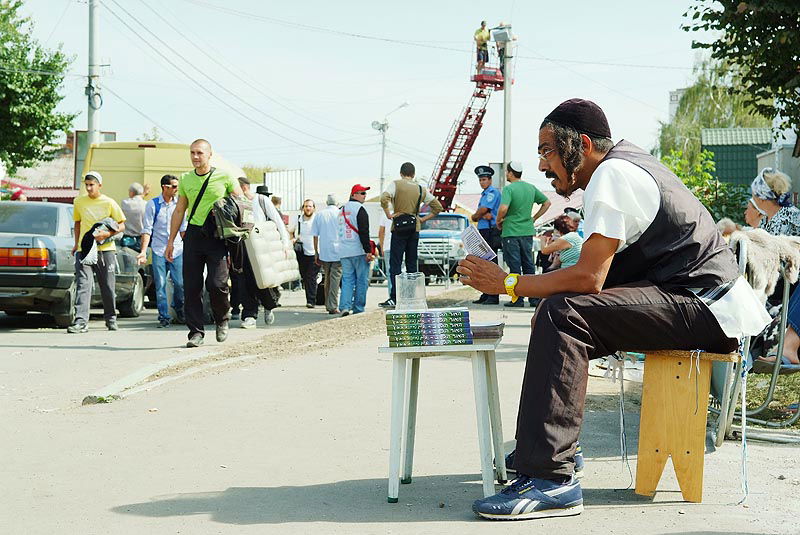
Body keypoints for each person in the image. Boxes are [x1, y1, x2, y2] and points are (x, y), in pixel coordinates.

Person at [458, 98, 769, 521]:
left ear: (582, 144)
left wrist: (509, 283)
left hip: (706, 307)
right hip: (696, 301)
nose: (543, 166)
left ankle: (552, 480)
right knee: (556, 311)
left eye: (547, 151)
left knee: (563, 314)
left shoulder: (611, 174)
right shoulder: (625, 165)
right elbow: (600, 273)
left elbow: (589, 279)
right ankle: (556, 449)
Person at [165, 139, 242, 348]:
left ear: (209, 155)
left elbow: (242, 203)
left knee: (216, 284)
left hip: (218, 236)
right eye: (192, 153)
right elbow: (179, 210)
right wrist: (171, 241)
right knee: (191, 286)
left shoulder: (224, 176)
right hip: (194, 235)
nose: (195, 157)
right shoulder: (186, 179)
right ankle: (195, 332)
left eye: (199, 153)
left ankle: (222, 319)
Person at [68, 171, 126, 333]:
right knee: (83, 284)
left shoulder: (109, 202)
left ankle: (111, 318)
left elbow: (122, 225)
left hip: (105, 250)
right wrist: (76, 244)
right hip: (85, 249)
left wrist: (107, 234)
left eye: (92, 185)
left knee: (107, 285)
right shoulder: (79, 202)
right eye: (86, 185)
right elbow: (78, 224)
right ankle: (80, 321)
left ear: (99, 185)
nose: (89, 188)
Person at [380, 162, 443, 308]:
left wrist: (389, 214)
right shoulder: (421, 188)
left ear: (401, 173)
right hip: (414, 228)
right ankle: (412, 296)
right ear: (413, 174)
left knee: (395, 264)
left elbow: (384, 198)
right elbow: (437, 207)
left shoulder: (396, 184)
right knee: (411, 263)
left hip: (399, 227)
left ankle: (395, 297)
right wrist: (422, 218)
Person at [496, 161, 551, 307]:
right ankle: (533, 298)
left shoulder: (509, 189)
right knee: (528, 265)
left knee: (514, 266)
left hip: (511, 232)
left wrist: (498, 220)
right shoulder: (530, 188)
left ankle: (517, 299)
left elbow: (503, 208)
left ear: (510, 173)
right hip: (527, 231)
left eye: (507, 172)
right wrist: (534, 218)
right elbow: (547, 203)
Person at [137, 174, 186, 328]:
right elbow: (147, 230)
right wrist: (143, 251)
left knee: (180, 284)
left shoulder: (180, 204)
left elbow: (183, 229)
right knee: (161, 285)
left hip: (177, 249)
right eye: (174, 186)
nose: (177, 189)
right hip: (159, 249)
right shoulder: (152, 205)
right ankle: (163, 316)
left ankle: (178, 309)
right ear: (165, 187)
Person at [238, 178, 287, 328]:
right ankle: (249, 315)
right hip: (242, 245)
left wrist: (284, 242)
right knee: (244, 280)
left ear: (244, 187)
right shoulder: (235, 202)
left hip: (261, 246)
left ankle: (269, 305)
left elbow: (277, 220)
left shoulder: (261, 200)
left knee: (262, 280)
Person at [339, 184, 375, 316]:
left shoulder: (341, 210)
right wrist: (368, 250)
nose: (365, 196)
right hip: (358, 250)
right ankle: (358, 308)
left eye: (365, 193)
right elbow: (364, 231)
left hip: (344, 250)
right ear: (354, 194)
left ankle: (344, 307)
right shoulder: (360, 209)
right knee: (361, 280)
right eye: (362, 193)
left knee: (347, 280)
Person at [471, 165, 502, 305]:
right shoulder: (485, 194)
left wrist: (475, 216)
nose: (482, 182)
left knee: (490, 261)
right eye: (480, 180)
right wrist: (480, 216)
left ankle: (493, 295)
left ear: (490, 180)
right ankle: (486, 293)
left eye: (484, 179)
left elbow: (483, 210)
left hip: (490, 230)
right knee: (483, 261)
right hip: (484, 229)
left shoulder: (492, 192)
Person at [313, 194, 343, 314]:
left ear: (326, 202)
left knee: (328, 279)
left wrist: (316, 252)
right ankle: (332, 305)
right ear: (337, 203)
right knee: (335, 279)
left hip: (324, 251)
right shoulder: (340, 214)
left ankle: (328, 304)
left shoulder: (319, 215)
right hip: (339, 251)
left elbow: (315, 236)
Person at [290, 199, 320, 309]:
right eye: (306, 206)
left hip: (315, 252)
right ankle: (310, 298)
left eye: (310, 206)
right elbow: (290, 231)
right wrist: (293, 239)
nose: (308, 208)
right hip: (302, 252)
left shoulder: (317, 219)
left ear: (314, 208)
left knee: (311, 276)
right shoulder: (298, 220)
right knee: (305, 276)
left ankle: (311, 300)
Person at [121, 182, 147, 251]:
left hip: (127, 239)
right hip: (141, 239)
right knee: (140, 259)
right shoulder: (146, 204)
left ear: (132, 192)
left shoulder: (125, 203)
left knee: (126, 260)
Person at [378, 211, 393, 304]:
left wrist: (382, 247)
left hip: (388, 247)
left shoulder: (385, 214)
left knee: (390, 273)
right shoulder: (405, 212)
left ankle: (392, 296)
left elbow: (381, 232)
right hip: (402, 247)